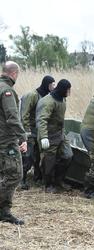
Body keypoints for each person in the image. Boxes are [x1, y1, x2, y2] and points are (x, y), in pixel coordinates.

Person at [0, 61, 27, 225]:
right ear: (14, 74)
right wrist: (23, 137)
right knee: (15, 174)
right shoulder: (7, 91)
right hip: (6, 141)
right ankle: (4, 211)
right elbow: (12, 117)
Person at [36, 79, 73, 193]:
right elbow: (42, 120)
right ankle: (48, 184)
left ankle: (58, 180)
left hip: (60, 133)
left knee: (68, 155)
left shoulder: (62, 99)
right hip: (49, 134)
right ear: (62, 89)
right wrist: (43, 137)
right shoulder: (48, 101)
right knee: (49, 161)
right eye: (68, 90)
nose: (69, 92)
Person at [20, 75, 55, 189]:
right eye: (51, 85)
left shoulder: (49, 97)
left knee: (37, 156)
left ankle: (37, 177)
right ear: (46, 84)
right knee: (27, 156)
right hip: (30, 130)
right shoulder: (33, 95)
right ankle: (22, 180)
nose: (53, 87)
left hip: (40, 131)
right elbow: (24, 115)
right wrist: (26, 131)